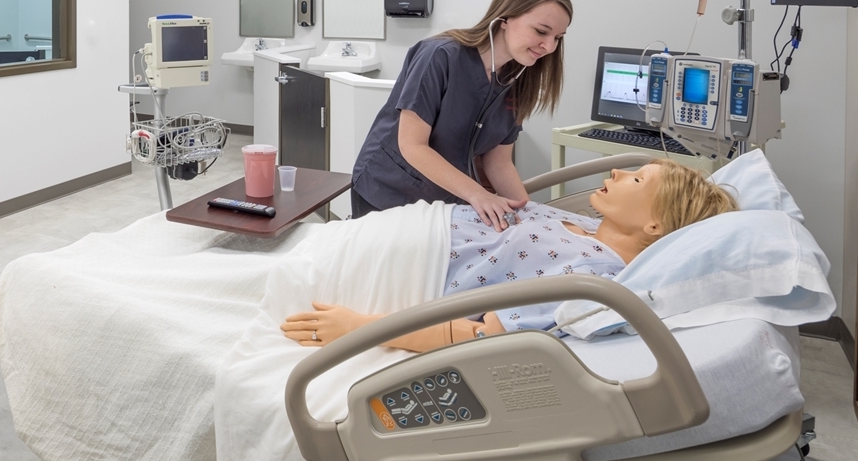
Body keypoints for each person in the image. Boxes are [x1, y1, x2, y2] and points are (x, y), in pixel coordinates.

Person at [282, 158, 739, 352]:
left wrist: (360, 330)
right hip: (397, 230)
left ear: (655, 226)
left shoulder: (597, 278)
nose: (618, 170)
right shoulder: (576, 225)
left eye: (637, 180)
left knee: (266, 283)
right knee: (283, 250)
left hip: (403, 266)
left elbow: (483, 335)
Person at [351, 0, 572, 230]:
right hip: (387, 191)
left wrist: (526, 213)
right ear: (505, 18)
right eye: (541, 31)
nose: (548, 46)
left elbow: (497, 161)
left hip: (445, 203)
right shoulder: (439, 56)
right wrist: (480, 195)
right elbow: (412, 145)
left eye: (558, 37)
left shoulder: (518, 79)